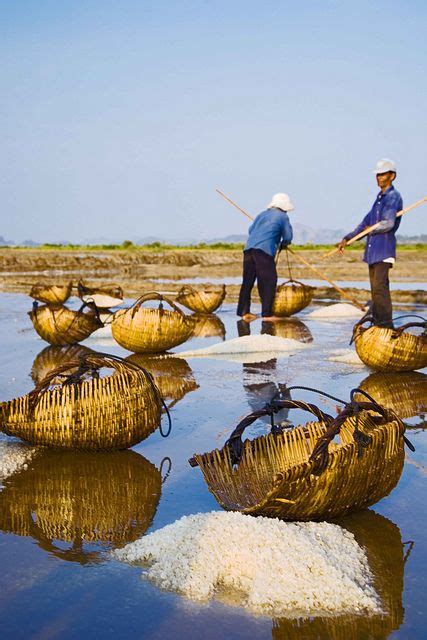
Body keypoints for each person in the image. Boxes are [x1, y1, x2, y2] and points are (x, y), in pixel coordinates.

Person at [338, 159, 402, 328]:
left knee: (380, 289)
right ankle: (379, 323)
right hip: (372, 253)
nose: (379, 178)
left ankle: (386, 326)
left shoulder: (393, 197)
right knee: (375, 290)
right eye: (378, 175)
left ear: (392, 176)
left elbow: (388, 223)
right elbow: (365, 223)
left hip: (383, 250)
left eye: (383, 174)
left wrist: (370, 230)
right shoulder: (379, 199)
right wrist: (348, 238)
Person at [237, 193, 294, 321]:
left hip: (248, 249)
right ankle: (267, 314)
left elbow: (251, 230)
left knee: (248, 281)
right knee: (268, 281)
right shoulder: (283, 216)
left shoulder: (261, 214)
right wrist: (284, 244)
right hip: (263, 251)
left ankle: (243, 312)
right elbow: (288, 236)